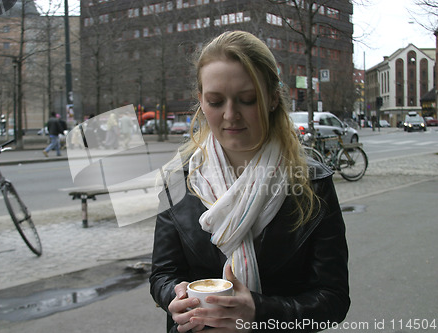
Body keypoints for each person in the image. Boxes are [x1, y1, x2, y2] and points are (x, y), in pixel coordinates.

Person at [149, 31, 349, 332]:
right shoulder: (177, 179)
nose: (231, 115)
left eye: (247, 100)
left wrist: (259, 311)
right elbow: (163, 273)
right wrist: (173, 296)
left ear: (271, 98)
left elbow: (333, 300)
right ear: (201, 102)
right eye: (215, 101)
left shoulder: (312, 183)